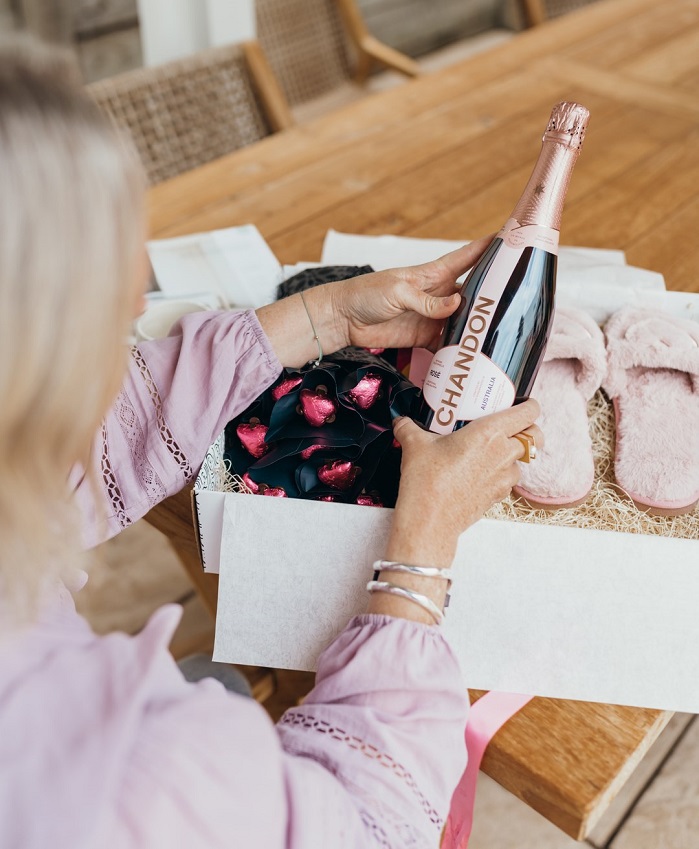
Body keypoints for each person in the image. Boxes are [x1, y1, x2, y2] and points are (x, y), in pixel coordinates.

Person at [0, 39, 542, 849]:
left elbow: (82, 443)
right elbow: (368, 825)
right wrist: (420, 554)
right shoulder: (122, 774)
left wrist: (324, 318)